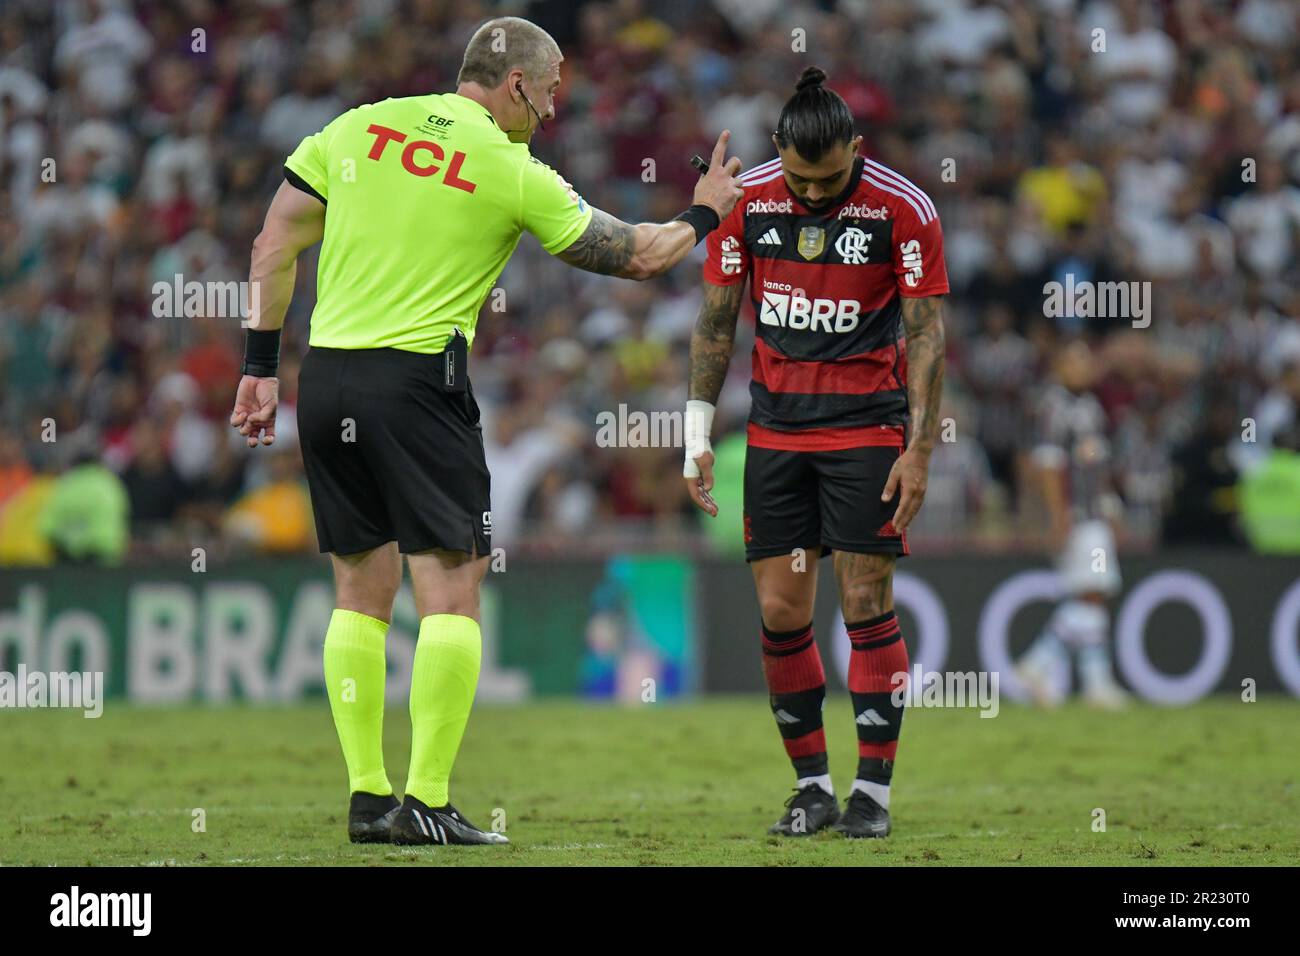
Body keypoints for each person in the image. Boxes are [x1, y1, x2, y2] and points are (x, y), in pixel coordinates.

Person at [229, 15, 743, 846]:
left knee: (359, 594)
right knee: (452, 590)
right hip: (417, 385)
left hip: (323, 381)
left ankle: (368, 798)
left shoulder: (359, 125)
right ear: (513, 87)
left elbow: (273, 240)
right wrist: (705, 212)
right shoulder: (511, 169)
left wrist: (258, 367)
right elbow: (641, 256)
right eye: (546, 95)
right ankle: (426, 799)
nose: (548, 112)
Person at [682, 67, 949, 839]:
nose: (814, 195)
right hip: (775, 433)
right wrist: (697, 435)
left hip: (867, 431)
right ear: (778, 153)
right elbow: (713, 323)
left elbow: (928, 334)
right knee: (778, 609)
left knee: (866, 603)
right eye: (801, 179)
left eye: (830, 179)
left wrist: (921, 449)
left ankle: (873, 793)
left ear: (856, 150)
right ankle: (812, 788)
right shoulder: (747, 201)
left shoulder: (904, 208)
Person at [1015, 341, 1128, 709]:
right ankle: (1048, 667)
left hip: (1093, 512)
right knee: (1091, 591)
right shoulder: (1055, 407)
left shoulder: (1091, 408)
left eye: (1086, 360)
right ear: (1060, 367)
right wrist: (1059, 516)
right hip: (1077, 516)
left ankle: (1086, 679)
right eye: (1074, 361)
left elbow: (1097, 467)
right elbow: (1049, 465)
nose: (1083, 367)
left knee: (1090, 593)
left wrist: (1111, 507)